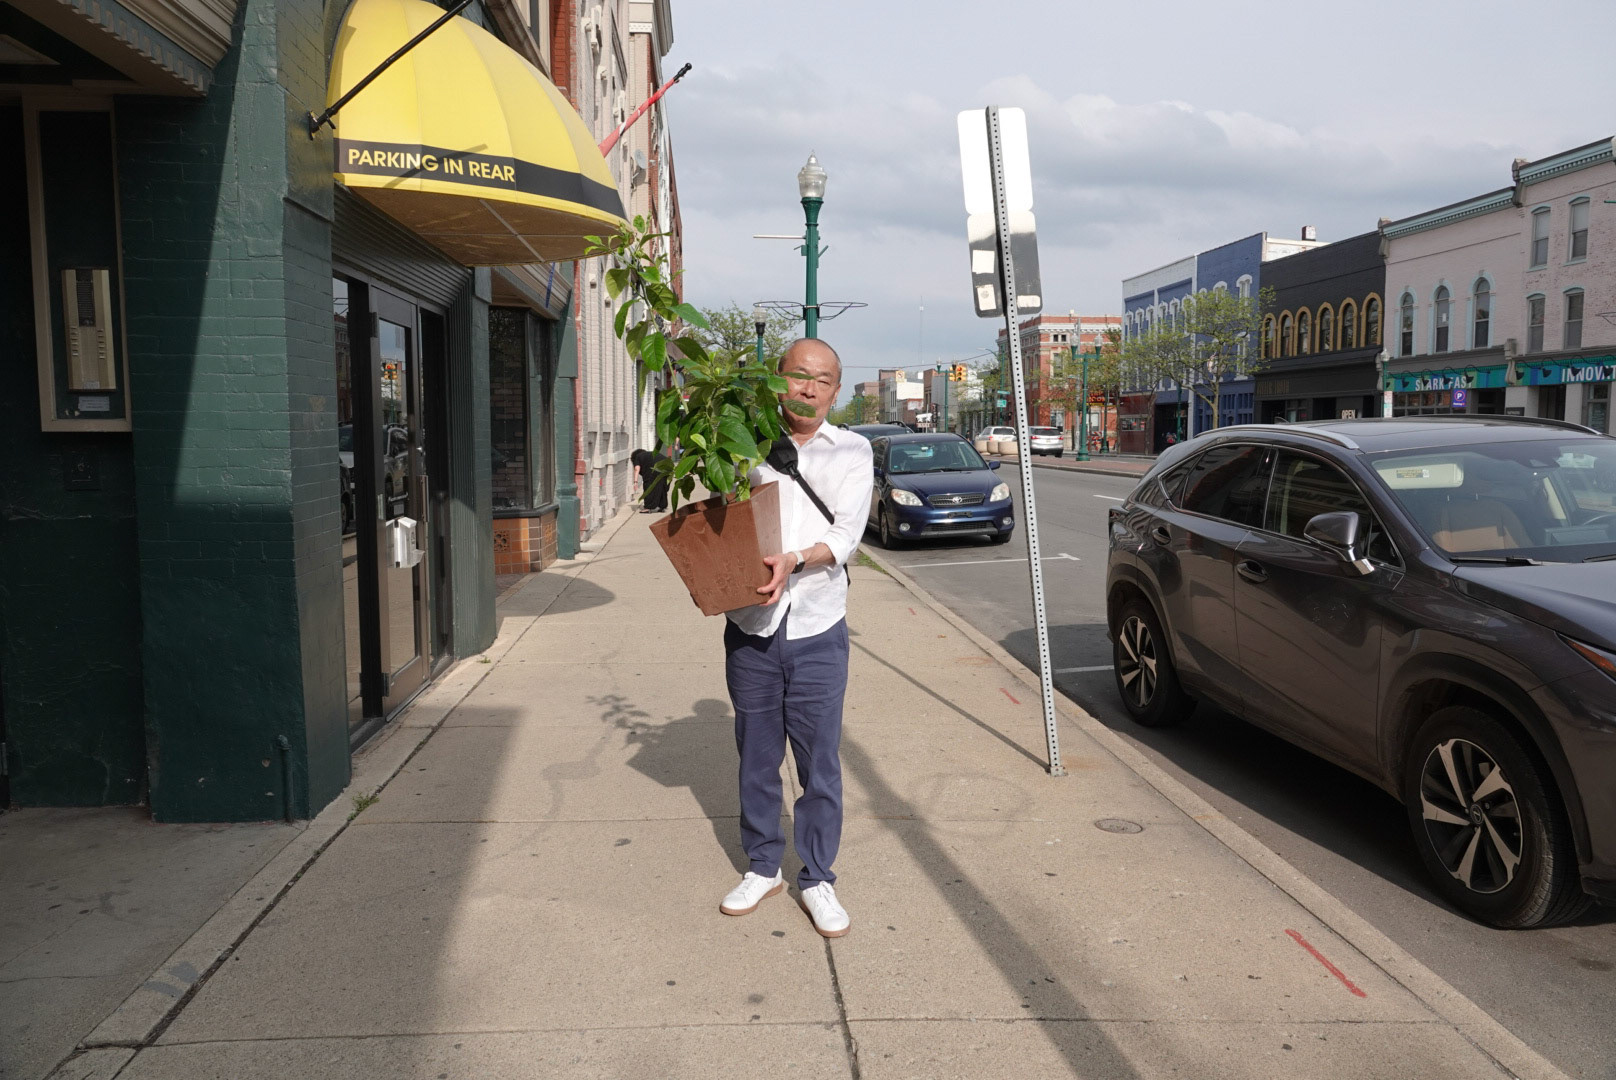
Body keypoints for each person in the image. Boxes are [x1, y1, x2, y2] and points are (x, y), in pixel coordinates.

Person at [717, 338, 873, 938]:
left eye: (823, 380)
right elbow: (717, 516)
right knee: (756, 756)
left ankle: (817, 877)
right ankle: (763, 867)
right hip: (751, 628)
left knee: (819, 764)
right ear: (776, 379)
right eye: (799, 376)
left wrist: (794, 560)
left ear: (837, 390)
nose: (809, 389)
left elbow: (845, 536)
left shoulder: (853, 451)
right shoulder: (742, 446)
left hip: (817, 628)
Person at [631, 447, 669, 512]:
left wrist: (635, 482)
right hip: (667, 466)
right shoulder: (649, 454)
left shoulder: (637, 456)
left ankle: (648, 508)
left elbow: (637, 469)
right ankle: (662, 506)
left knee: (648, 486)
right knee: (662, 486)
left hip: (655, 468)